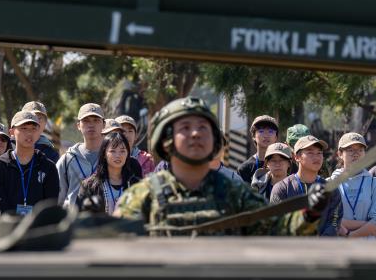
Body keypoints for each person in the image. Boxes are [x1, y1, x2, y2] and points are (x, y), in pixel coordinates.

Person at [116, 97, 329, 236]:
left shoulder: (235, 193)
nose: (196, 133)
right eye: (185, 127)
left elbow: (276, 229)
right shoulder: (142, 197)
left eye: (203, 127)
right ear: (165, 141)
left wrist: (309, 214)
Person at [0, 110, 59, 214]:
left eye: (33, 129)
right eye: (24, 128)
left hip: (39, 227)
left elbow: (50, 205)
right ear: (11, 132)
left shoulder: (48, 167)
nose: (29, 133)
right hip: (7, 226)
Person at [269, 135, 341, 236]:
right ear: (296, 157)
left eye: (319, 153)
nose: (316, 157)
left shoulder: (331, 189)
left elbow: (334, 223)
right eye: (310, 153)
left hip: (323, 249)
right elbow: (278, 224)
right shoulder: (282, 188)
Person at [330, 133, 376, 240]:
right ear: (339, 154)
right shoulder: (329, 184)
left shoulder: (374, 183)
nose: (356, 154)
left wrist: (350, 234)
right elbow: (330, 220)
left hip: (369, 251)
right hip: (339, 250)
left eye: (360, 150)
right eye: (350, 150)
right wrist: (368, 225)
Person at [68, 131, 142, 213]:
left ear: (128, 153)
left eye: (122, 151)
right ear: (104, 154)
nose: (118, 155)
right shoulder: (89, 186)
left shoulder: (136, 184)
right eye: (113, 151)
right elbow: (80, 217)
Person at [56, 103, 105, 205]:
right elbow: (58, 198)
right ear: (78, 125)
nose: (91, 125)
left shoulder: (112, 157)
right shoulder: (67, 159)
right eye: (86, 121)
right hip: (74, 219)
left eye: (96, 120)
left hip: (107, 220)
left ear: (104, 125)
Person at [238, 115, 280, 183]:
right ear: (253, 136)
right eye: (261, 131)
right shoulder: (245, 168)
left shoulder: (285, 165)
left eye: (270, 131)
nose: (266, 135)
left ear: (276, 137)